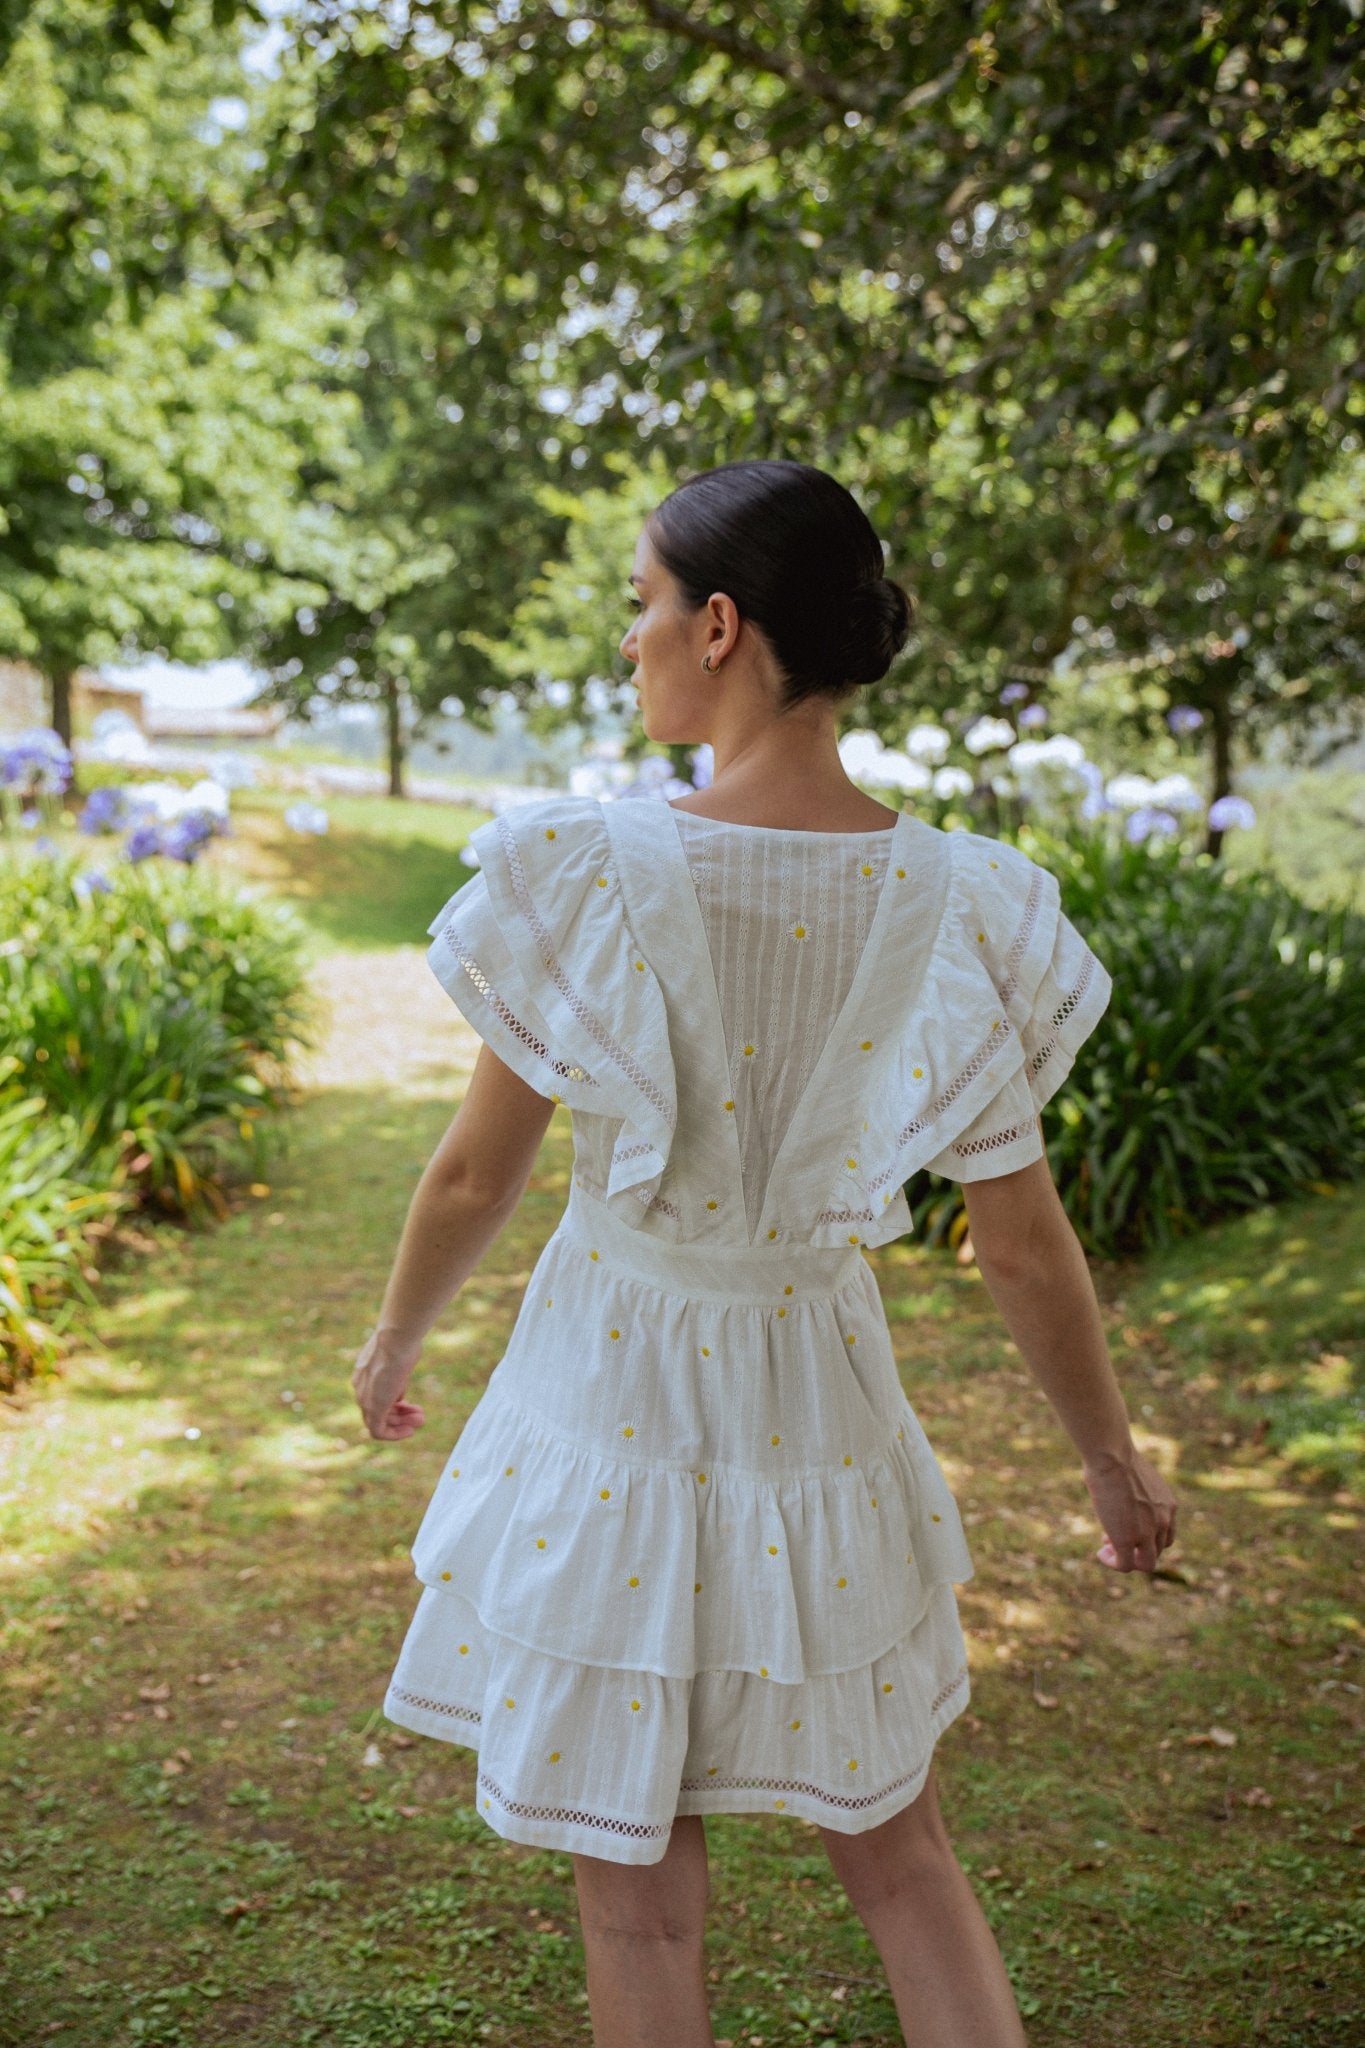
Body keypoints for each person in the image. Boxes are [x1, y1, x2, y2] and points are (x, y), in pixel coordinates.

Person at [352, 459, 1179, 2048]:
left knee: (635, 1880)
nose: (630, 642)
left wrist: (396, 1339)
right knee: (899, 1849)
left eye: (643, 606)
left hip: (611, 1395)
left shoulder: (582, 871)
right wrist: (1109, 1464)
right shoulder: (963, 903)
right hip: (824, 1398)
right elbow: (1016, 1240)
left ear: (719, 625)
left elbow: (473, 1174)